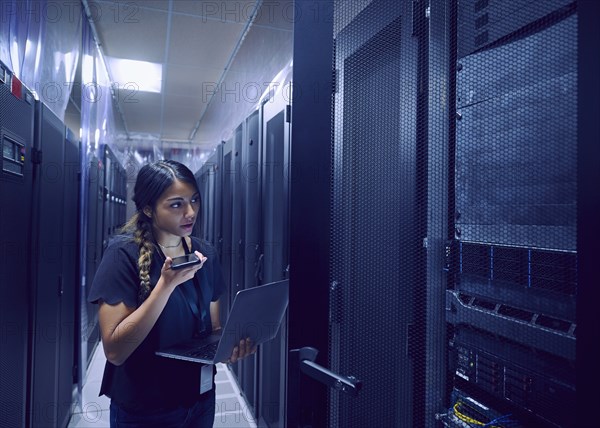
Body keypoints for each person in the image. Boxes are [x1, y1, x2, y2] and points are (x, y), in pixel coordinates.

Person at [88, 159, 254, 427]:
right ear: (148, 209)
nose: (190, 212)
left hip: (200, 399)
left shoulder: (205, 253)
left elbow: (212, 329)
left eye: (194, 200)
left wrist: (230, 346)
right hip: (146, 408)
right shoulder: (123, 255)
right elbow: (115, 350)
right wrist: (165, 286)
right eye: (176, 204)